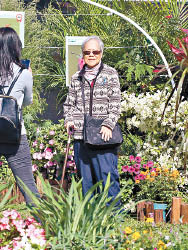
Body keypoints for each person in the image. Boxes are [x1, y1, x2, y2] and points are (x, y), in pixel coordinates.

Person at [0, 27, 39, 204]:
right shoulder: (24, 74)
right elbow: (26, 102)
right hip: (16, 137)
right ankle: (44, 228)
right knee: (28, 188)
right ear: (14, 47)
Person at [63, 36, 121, 205]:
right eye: (87, 52)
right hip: (81, 137)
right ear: (82, 54)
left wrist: (108, 124)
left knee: (107, 179)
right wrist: (69, 120)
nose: (91, 55)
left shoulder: (110, 74)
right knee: (86, 182)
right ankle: (89, 219)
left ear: (101, 53)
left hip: (103, 136)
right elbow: (69, 104)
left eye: (95, 51)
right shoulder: (76, 78)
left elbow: (116, 103)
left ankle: (113, 218)